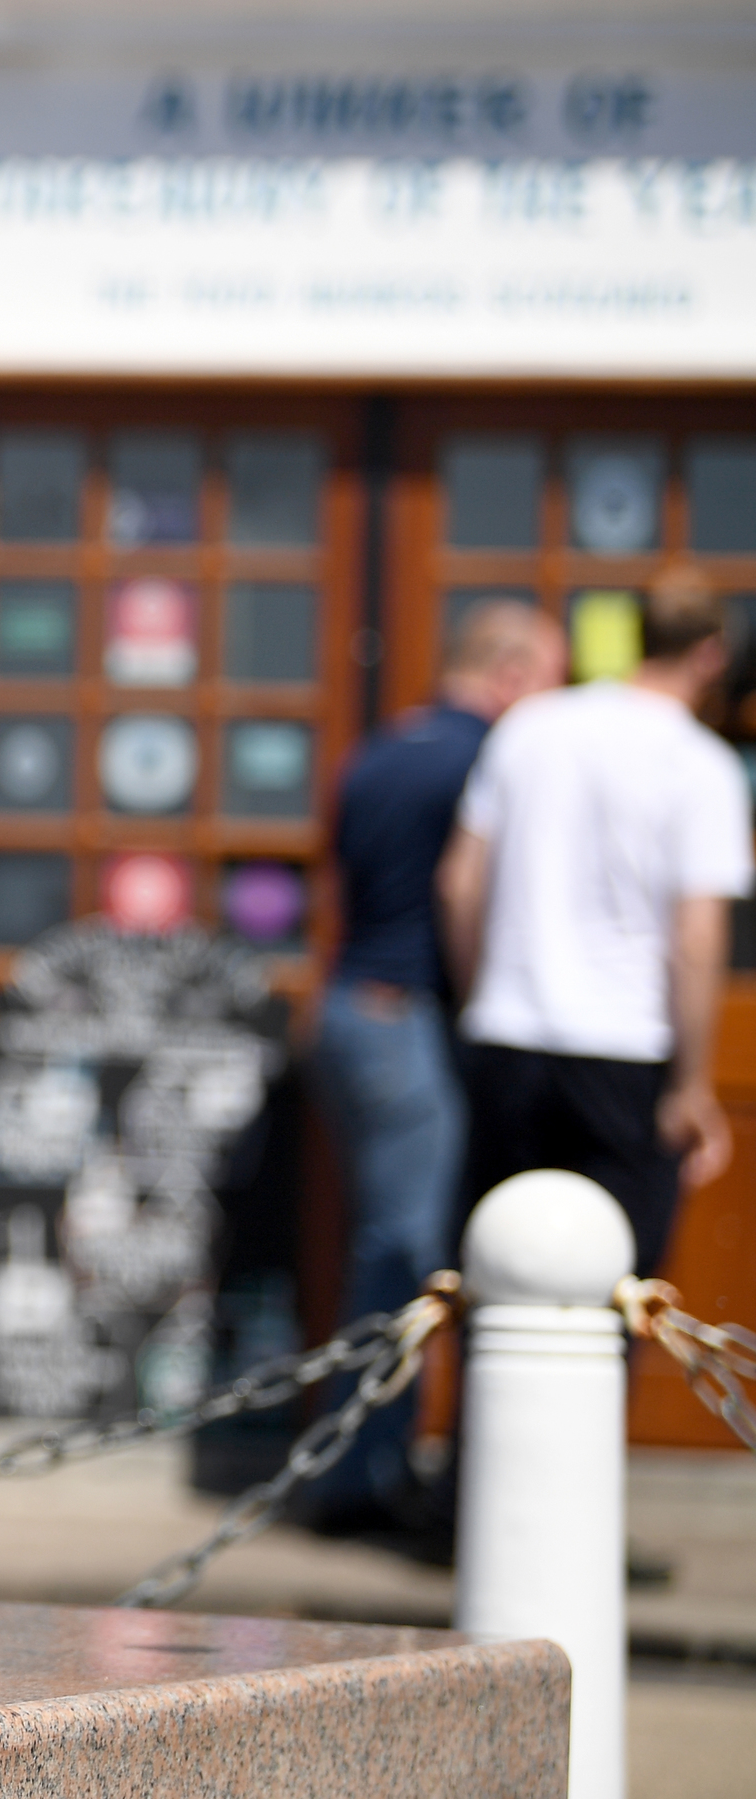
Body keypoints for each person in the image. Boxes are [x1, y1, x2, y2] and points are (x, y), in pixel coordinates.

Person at [301, 599, 562, 1533]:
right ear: (512, 670)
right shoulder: (481, 758)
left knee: (388, 1243)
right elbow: (471, 890)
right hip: (404, 1017)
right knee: (405, 1252)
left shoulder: (383, 746)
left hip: (350, 1010)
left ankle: (368, 1460)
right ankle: (360, 1480)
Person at [441, 572, 751, 1278]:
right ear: (710, 655)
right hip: (625, 1048)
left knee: (495, 1274)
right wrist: (693, 1083)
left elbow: (460, 884)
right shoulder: (701, 765)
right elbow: (697, 938)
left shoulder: (532, 725)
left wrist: (478, 996)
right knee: (615, 1287)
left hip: (509, 1033)